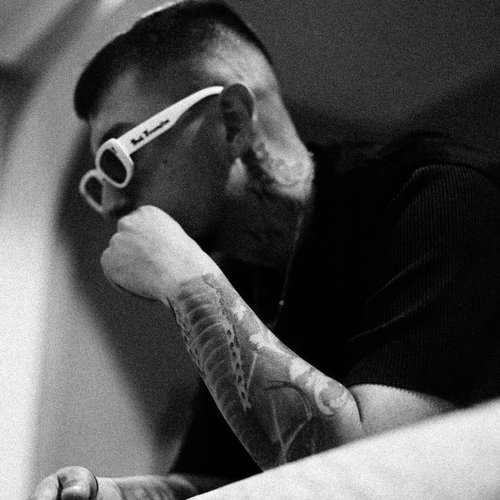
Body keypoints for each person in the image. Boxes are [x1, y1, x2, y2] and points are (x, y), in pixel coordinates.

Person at [29, 0, 500, 498]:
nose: (110, 202)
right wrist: (113, 494)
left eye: (117, 157)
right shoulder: (246, 278)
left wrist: (191, 287)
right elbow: (230, 479)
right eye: (99, 178)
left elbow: (382, 476)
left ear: (232, 121)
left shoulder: (437, 196)